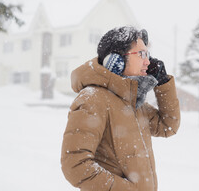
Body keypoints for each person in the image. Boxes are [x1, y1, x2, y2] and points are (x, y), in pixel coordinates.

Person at [61, 26, 180, 191]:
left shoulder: (133, 102)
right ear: (115, 61)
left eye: (148, 54)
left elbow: (168, 126)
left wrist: (163, 82)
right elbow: (75, 165)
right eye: (141, 54)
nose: (148, 61)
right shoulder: (93, 99)